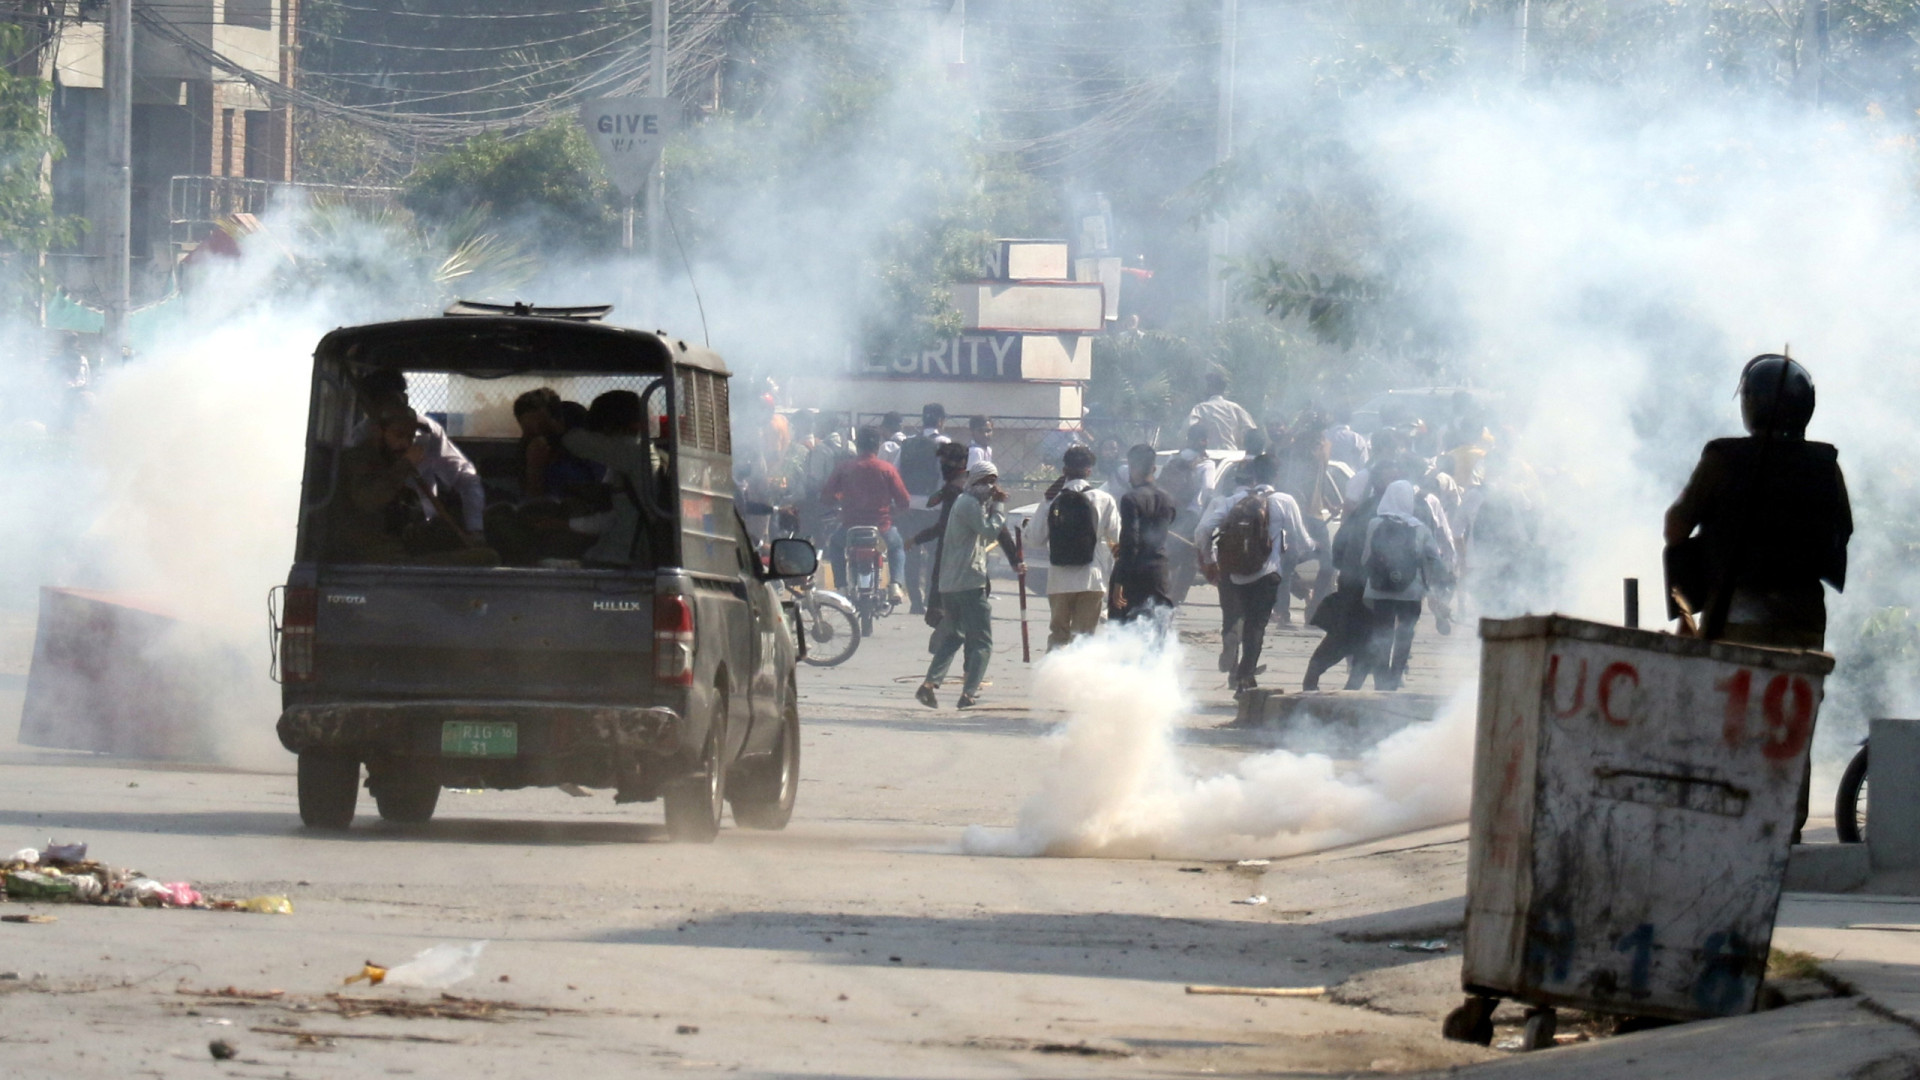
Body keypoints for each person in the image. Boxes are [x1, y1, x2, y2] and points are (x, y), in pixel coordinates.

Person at [1665, 354, 1852, 843]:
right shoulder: (1826, 465)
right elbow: (1841, 533)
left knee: (1729, 717)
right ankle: (1785, 825)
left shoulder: (1723, 458)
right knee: (1793, 718)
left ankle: (1728, 818)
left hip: (1734, 616)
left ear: (1750, 404)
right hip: (1803, 620)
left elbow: (1677, 526)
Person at [1197, 453, 1313, 694]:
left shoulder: (1231, 501)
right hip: (1266, 575)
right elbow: (1301, 539)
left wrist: (1210, 560)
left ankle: (1230, 641)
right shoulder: (1283, 501)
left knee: (1233, 618)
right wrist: (1311, 548)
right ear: (1277, 475)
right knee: (1255, 627)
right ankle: (1244, 677)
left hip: (1231, 574)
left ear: (1252, 475)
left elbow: (1203, 530)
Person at [329, 402, 498, 566]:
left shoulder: (388, 459)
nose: (406, 444)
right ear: (378, 432)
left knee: (446, 529)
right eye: (399, 435)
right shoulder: (359, 459)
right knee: (486, 558)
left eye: (410, 437)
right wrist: (406, 464)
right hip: (379, 557)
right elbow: (368, 500)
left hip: (398, 542)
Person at [916, 460, 1010, 710]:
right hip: (968, 582)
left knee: (955, 635)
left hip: (952, 583)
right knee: (981, 641)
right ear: (977, 482)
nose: (992, 488)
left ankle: (929, 685)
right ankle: (968, 693)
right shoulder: (969, 503)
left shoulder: (968, 503)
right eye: (989, 482)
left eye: (994, 482)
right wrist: (1000, 506)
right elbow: (990, 531)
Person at [355, 368, 487, 537]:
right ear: (370, 409)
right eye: (386, 405)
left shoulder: (428, 433)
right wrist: (405, 465)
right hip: (378, 534)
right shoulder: (358, 443)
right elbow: (368, 500)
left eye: (400, 401)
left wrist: (475, 528)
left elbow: (466, 478)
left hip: (425, 528)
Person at [916, 442, 1020, 638]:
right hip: (960, 559)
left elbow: (999, 530)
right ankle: (952, 632)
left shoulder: (970, 494)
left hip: (964, 559)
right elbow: (991, 530)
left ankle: (952, 631)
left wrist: (1015, 559)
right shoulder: (965, 497)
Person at [1355, 480, 1445, 691]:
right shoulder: (1420, 528)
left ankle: (1381, 682)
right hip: (1411, 592)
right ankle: (1395, 679)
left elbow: (1365, 557)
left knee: (1381, 636)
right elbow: (1434, 558)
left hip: (1379, 590)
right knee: (1405, 635)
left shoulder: (1375, 523)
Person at [562, 390, 666, 567]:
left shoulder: (633, 451)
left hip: (621, 560)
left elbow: (573, 441)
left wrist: (559, 426)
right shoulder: (634, 456)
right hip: (618, 555)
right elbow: (616, 514)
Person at [1030, 445, 1121, 649]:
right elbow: (1117, 540)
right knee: (1083, 639)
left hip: (1059, 579)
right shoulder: (1104, 499)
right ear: (1089, 470)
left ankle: (1053, 679)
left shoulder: (1052, 499)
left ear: (1064, 471)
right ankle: (1077, 680)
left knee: (1058, 635)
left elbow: (1035, 539)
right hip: (1093, 578)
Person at [822, 426, 912, 603]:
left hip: (850, 528)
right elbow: (904, 501)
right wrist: (893, 511)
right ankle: (895, 584)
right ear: (878, 446)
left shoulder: (845, 468)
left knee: (834, 545)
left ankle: (841, 586)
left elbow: (826, 496)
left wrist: (838, 501)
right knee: (897, 547)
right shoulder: (887, 469)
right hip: (882, 527)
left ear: (857, 445)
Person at [1113, 443, 1181, 623]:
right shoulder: (1167, 498)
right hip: (1159, 572)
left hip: (1135, 574)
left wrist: (1119, 581)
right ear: (1154, 468)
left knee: (1128, 633)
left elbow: (1131, 543)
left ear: (1131, 467)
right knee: (1156, 633)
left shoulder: (1130, 499)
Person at [895, 404, 953, 613]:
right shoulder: (945, 443)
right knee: (935, 554)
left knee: (911, 554)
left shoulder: (907, 444)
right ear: (940, 421)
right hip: (932, 509)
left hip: (909, 508)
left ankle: (915, 603)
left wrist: (903, 501)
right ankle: (930, 597)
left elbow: (895, 473)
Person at [1162, 424, 1218, 605]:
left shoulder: (1174, 457)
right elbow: (1209, 489)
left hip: (1170, 515)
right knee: (1190, 561)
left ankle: (1162, 593)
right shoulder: (1206, 463)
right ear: (1203, 440)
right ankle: (1175, 600)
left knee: (1168, 556)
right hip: (1192, 516)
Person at [1187, 370, 1258, 451]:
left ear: (1209, 388)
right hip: (1233, 456)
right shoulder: (1235, 408)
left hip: (1210, 455)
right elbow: (1252, 432)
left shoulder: (1200, 409)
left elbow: (1187, 431)